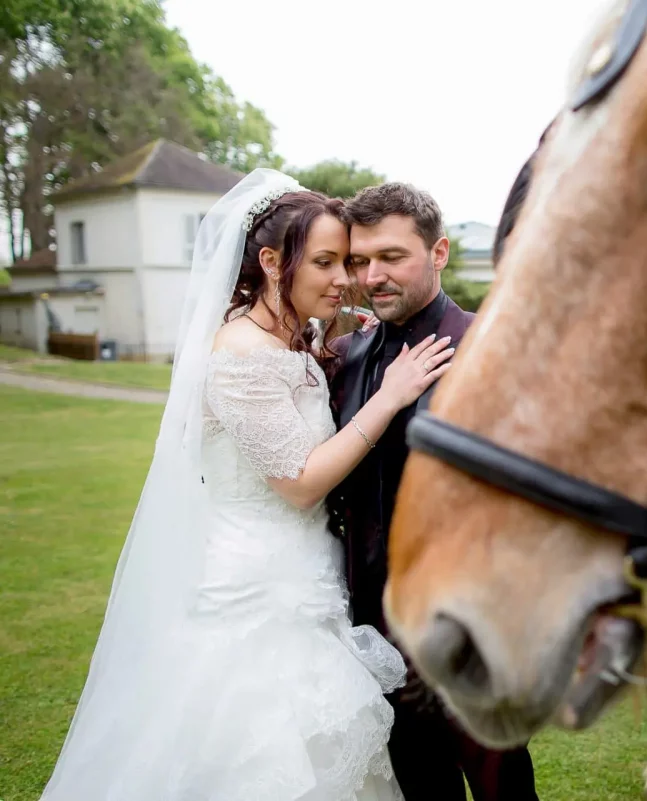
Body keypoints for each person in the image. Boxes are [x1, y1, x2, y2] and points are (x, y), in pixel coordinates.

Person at [39, 169, 453, 801]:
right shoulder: (238, 357)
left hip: (313, 574)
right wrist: (390, 396)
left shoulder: (300, 340)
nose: (345, 281)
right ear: (269, 260)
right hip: (255, 592)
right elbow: (300, 483)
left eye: (347, 262)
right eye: (326, 262)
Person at [327, 182, 539, 801]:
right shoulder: (343, 356)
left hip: (475, 629)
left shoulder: (496, 345)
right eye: (360, 260)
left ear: (439, 252)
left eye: (391, 257)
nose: (372, 276)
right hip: (375, 636)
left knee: (503, 787)